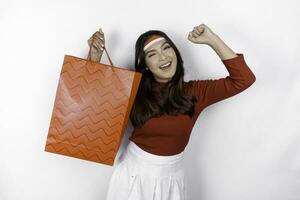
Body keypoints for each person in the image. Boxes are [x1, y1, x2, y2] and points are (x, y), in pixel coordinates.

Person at [87, 24, 256, 200]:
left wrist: (212, 39)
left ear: (176, 52)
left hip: (173, 178)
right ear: (145, 65)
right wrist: (94, 58)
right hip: (133, 174)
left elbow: (244, 79)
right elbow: (92, 103)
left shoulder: (195, 92)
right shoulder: (132, 88)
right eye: (152, 54)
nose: (163, 57)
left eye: (166, 48)